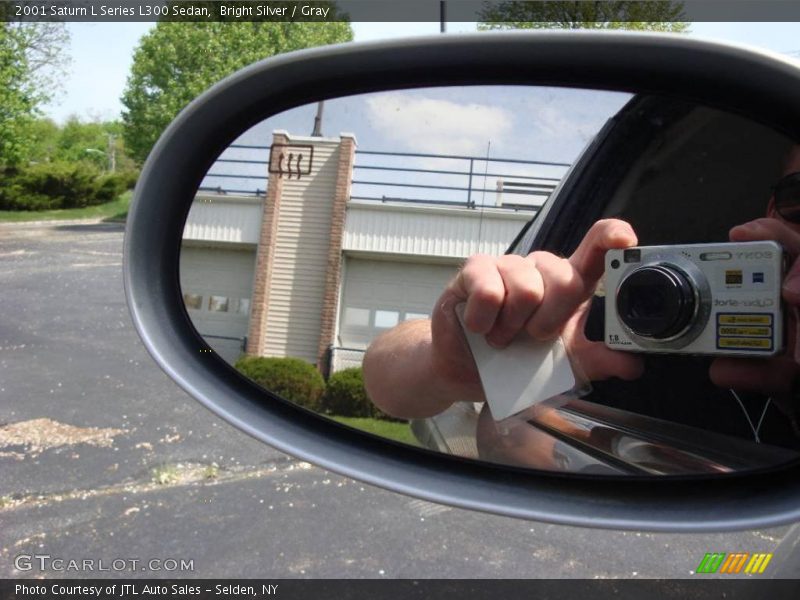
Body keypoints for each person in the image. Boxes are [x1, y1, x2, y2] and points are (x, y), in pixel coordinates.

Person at [363, 146, 800, 453]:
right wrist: (452, 364)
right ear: (771, 210)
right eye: (799, 197)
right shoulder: (642, 341)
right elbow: (385, 378)